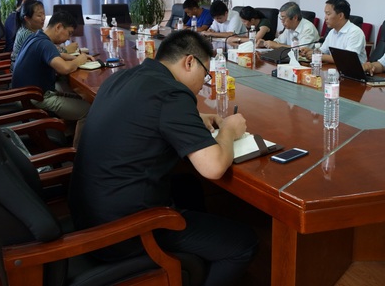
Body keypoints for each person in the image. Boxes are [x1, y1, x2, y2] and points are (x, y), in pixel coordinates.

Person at [68, 30, 258, 286]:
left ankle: (196, 259)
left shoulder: (124, 76)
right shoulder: (172, 93)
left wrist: (193, 118)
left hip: (88, 213)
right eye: (205, 74)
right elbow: (213, 167)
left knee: (188, 186)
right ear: (189, 62)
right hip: (124, 231)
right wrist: (228, 130)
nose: (203, 83)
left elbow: (145, 115)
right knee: (244, 243)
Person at [11, 11, 94, 147]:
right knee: (88, 110)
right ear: (58, 27)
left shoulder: (37, 36)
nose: (68, 38)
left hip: (25, 94)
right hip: (36, 98)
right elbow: (64, 69)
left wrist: (73, 57)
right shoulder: (45, 44)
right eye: (69, 33)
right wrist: (80, 59)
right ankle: (78, 154)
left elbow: (55, 55)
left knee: (79, 97)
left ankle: (68, 132)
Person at [300, 0, 367, 64]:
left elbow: (347, 58)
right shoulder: (332, 32)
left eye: (328, 14)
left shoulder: (355, 32)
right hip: (333, 68)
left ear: (340, 15)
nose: (325, 18)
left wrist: (319, 56)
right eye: (325, 14)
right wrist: (311, 51)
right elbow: (323, 51)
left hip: (352, 70)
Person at [10, 0, 46, 71]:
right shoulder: (26, 34)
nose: (43, 18)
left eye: (44, 14)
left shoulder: (37, 29)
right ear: (27, 19)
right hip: (22, 71)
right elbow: (43, 53)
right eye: (39, 15)